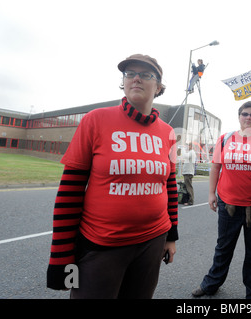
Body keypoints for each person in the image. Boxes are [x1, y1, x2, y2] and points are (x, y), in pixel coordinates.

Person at [46, 54, 178, 299]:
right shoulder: (95, 120)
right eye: (130, 74)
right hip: (101, 246)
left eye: (146, 74)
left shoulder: (168, 133)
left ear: (158, 86)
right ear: (124, 82)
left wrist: (171, 236)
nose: (136, 78)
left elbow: (169, 185)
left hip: (153, 242)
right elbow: (69, 191)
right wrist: (61, 258)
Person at [192, 101, 251, 299]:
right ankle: (211, 284)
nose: (249, 117)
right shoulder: (225, 139)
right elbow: (215, 167)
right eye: (245, 114)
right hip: (229, 204)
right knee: (223, 248)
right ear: (239, 117)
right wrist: (211, 194)